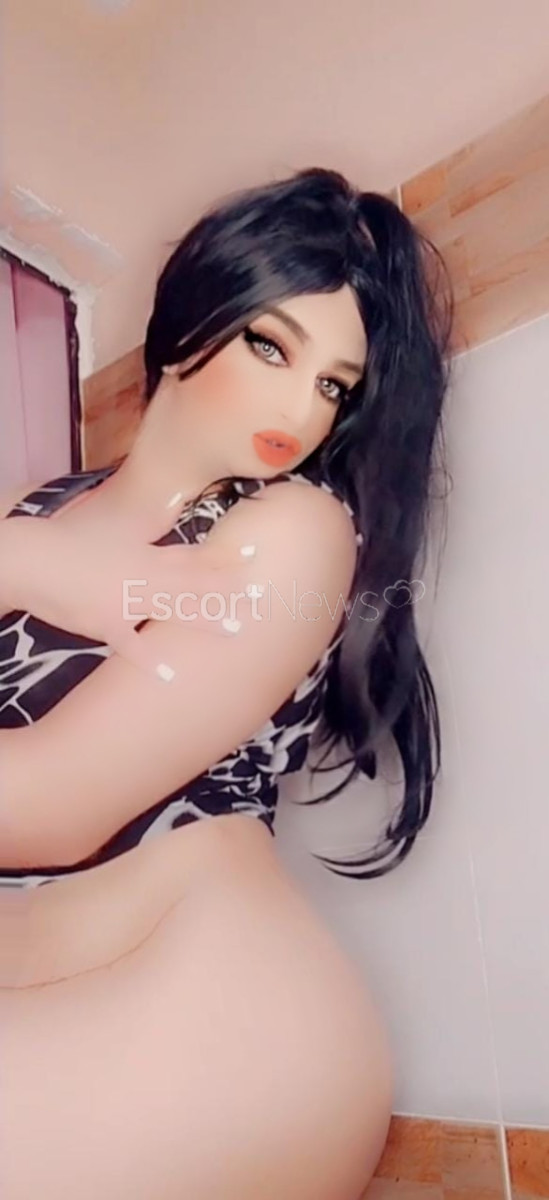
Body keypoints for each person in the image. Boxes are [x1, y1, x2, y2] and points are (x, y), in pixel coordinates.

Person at [0, 166, 453, 1199]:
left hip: (205, 1012)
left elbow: (49, 808)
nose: (298, 407)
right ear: (189, 324)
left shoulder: (290, 529)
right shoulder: (31, 513)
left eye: (334, 385)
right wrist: (24, 560)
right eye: (271, 346)